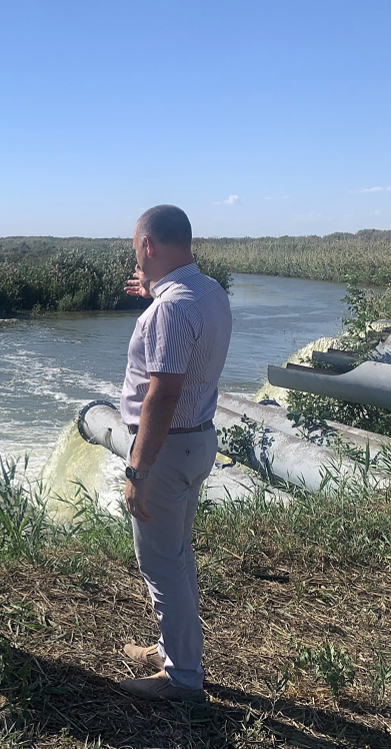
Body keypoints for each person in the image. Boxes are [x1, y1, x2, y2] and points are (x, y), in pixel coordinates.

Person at [117, 204, 231, 703]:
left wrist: (137, 470)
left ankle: (183, 677)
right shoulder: (208, 292)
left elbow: (161, 395)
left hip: (166, 450)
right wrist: (153, 291)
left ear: (147, 246)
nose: (136, 262)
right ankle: (174, 650)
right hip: (198, 440)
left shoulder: (171, 308)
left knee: (161, 564)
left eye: (136, 252)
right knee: (178, 557)